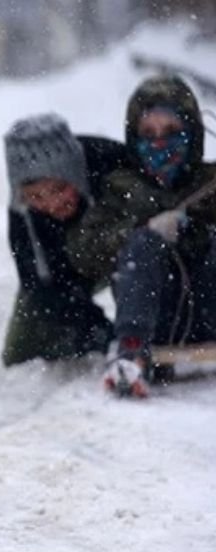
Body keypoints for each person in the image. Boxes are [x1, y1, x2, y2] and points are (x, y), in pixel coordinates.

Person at [67, 75, 216, 398]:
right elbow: (83, 251)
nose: (160, 143)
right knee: (142, 244)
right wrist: (143, 231)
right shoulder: (122, 188)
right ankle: (130, 355)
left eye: (172, 133)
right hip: (153, 317)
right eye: (149, 134)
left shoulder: (210, 182)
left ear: (192, 135)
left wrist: (201, 229)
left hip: (210, 308)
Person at [0, 114, 130, 367]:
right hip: (69, 267)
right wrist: (100, 334)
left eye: (59, 189)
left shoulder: (113, 165)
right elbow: (41, 285)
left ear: (75, 176)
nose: (52, 204)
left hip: (122, 251)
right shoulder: (23, 215)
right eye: (35, 197)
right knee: (19, 354)